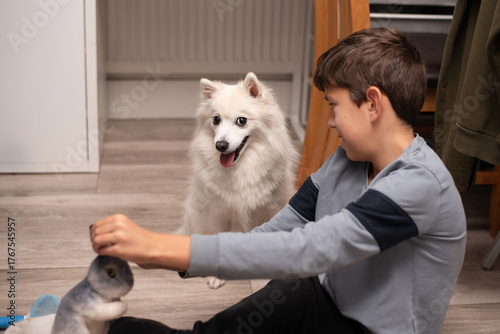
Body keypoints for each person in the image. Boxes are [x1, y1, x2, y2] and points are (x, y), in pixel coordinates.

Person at [91, 27, 466, 334]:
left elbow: (313, 248)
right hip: (322, 299)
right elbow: (284, 229)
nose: (331, 122)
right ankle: (88, 324)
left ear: (372, 104)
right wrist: (180, 256)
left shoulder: (418, 185)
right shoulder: (346, 162)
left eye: (334, 106)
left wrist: (159, 248)